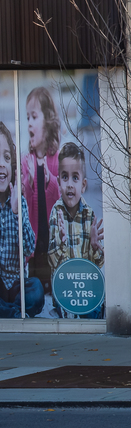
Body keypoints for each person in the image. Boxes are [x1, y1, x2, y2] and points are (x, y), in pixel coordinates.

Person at [0, 121, 45, 318]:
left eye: (6, 157)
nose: (1, 163)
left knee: (36, 290)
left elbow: (28, 248)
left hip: (18, 283)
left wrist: (17, 212)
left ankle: (11, 311)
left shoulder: (21, 203)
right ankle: (17, 313)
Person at [22, 86, 61, 286]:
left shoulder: (56, 160)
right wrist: (28, 182)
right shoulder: (25, 162)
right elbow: (23, 207)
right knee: (36, 285)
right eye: (27, 117)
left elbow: (61, 201)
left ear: (47, 121)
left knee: (52, 283)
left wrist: (50, 180)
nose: (29, 122)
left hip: (51, 244)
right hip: (34, 248)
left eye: (34, 117)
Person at [49, 142, 103, 268]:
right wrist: (60, 240)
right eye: (64, 177)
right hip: (63, 285)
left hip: (84, 285)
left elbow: (98, 265)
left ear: (83, 185)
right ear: (58, 183)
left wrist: (95, 247)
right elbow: (52, 262)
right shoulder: (57, 212)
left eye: (75, 177)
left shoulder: (89, 215)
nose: (69, 184)